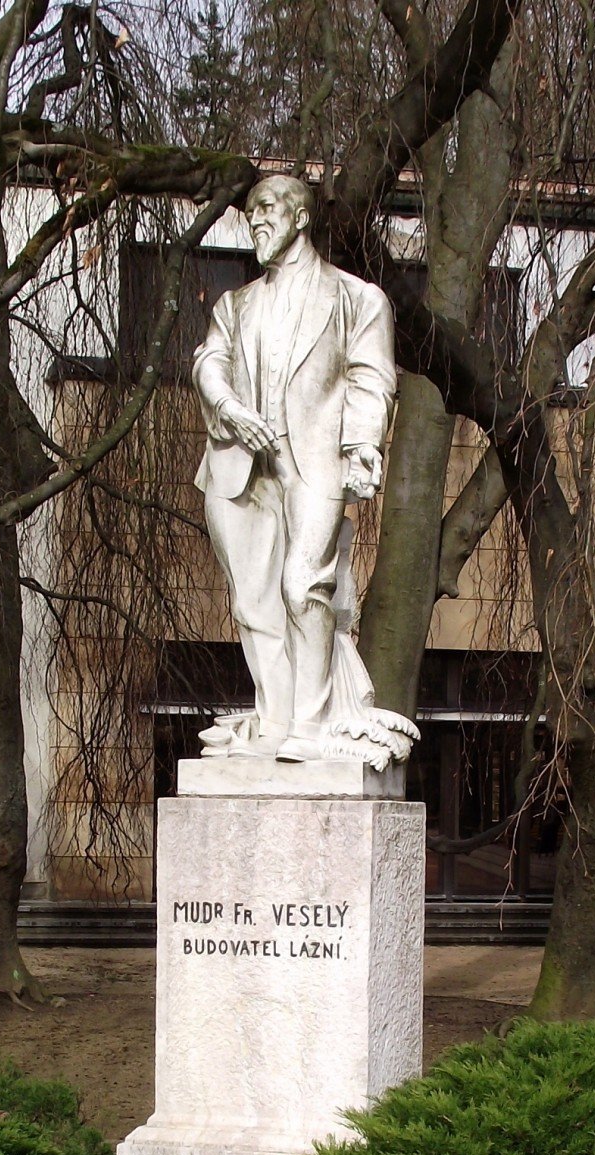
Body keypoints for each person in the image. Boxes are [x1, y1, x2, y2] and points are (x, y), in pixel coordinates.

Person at [191, 175, 399, 762]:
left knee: (305, 582)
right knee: (253, 602)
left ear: (301, 217)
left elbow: (371, 376)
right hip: (240, 465)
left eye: (266, 210)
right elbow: (210, 362)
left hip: (315, 461)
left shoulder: (356, 297)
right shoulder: (234, 304)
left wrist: (362, 446)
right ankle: (276, 720)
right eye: (250, 212)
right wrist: (231, 410)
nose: (254, 221)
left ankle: (311, 725)